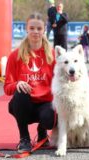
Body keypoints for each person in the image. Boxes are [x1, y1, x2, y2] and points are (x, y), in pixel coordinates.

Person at [4, 12, 56, 153]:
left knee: (49, 118)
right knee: (20, 92)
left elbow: (62, 81)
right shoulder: (15, 56)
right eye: (32, 28)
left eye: (39, 29)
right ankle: (24, 138)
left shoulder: (53, 55)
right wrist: (17, 84)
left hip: (46, 102)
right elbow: (7, 88)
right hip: (24, 104)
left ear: (44, 30)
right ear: (26, 29)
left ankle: (42, 132)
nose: (35, 32)